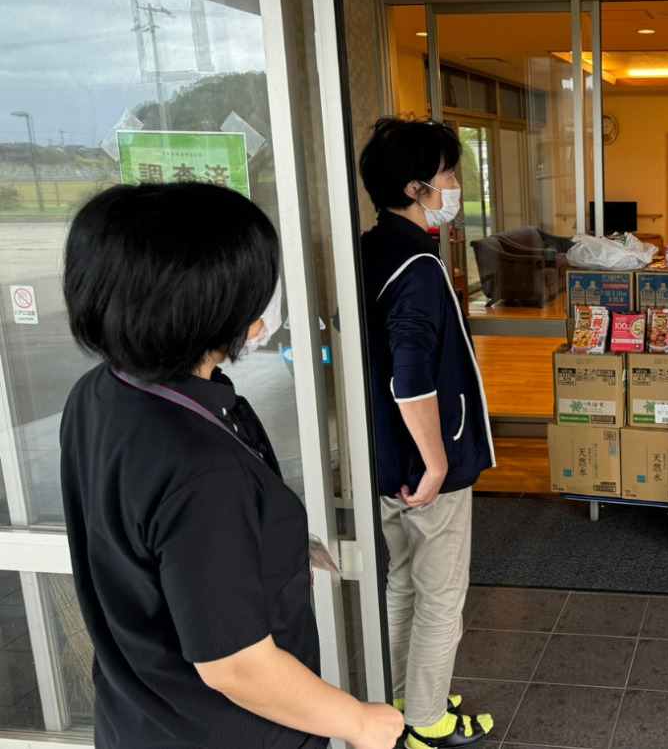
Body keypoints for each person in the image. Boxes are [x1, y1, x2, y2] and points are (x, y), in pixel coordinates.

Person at [59, 182, 403, 749]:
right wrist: (360, 722)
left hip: (141, 717)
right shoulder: (200, 467)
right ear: (207, 305)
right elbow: (236, 666)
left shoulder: (101, 392)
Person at [358, 117, 496, 749]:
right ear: (416, 188)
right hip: (423, 464)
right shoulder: (416, 266)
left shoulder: (370, 247)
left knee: (402, 581)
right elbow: (411, 376)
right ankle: (427, 722)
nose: (456, 185)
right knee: (441, 596)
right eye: (448, 176)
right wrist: (437, 462)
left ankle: (400, 699)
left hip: (385, 459)